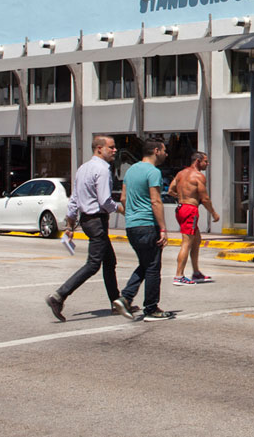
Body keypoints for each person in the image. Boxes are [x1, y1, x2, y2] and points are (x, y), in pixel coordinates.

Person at [46, 135, 125, 322]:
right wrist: (120, 209)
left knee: (110, 262)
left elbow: (74, 200)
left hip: (88, 220)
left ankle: (116, 303)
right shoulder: (103, 169)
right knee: (93, 264)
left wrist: (70, 225)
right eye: (111, 147)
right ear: (99, 149)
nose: (114, 150)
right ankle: (59, 296)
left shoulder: (83, 169)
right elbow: (105, 200)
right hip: (97, 221)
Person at [113, 138, 173, 321]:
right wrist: (163, 228)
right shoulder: (153, 172)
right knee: (153, 267)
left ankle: (126, 297)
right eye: (164, 150)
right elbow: (155, 201)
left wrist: (132, 214)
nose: (166, 154)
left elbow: (123, 198)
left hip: (132, 226)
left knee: (146, 264)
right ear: (156, 151)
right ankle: (151, 309)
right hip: (147, 225)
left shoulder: (131, 170)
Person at [169, 151, 220, 286]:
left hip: (180, 209)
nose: (207, 164)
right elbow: (205, 198)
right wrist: (214, 213)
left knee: (196, 239)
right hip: (190, 210)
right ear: (198, 161)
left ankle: (196, 272)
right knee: (187, 242)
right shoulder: (198, 176)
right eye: (205, 161)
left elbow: (170, 190)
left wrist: (182, 197)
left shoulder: (181, 174)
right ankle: (179, 276)